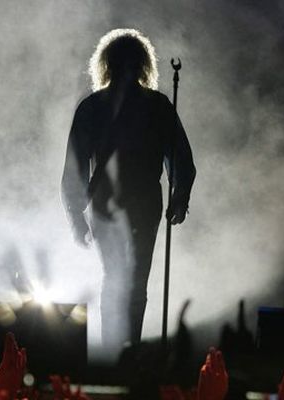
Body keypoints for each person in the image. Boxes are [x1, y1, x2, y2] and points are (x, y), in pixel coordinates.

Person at [61, 29, 196, 353]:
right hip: (141, 202)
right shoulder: (157, 106)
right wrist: (179, 196)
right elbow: (182, 161)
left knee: (118, 278)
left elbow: (74, 171)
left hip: (111, 202)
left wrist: (77, 218)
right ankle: (126, 352)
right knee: (133, 280)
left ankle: (116, 351)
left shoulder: (94, 107)